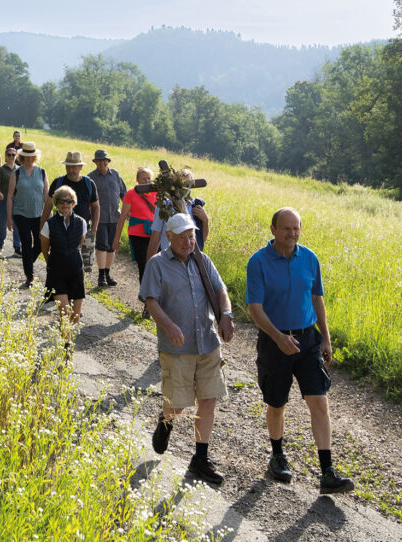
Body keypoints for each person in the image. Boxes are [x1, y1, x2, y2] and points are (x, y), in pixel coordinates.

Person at [246, 207, 354, 495]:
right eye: (286, 228)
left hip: (308, 341)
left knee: (319, 401)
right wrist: (278, 337)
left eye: (296, 228)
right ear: (273, 230)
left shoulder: (309, 258)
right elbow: (254, 307)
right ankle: (278, 456)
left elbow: (317, 299)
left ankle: (327, 471)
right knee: (277, 403)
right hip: (274, 342)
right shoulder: (258, 262)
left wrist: (326, 340)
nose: (292, 234)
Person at [141, 213, 235, 486]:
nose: (188, 241)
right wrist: (168, 325)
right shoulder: (157, 264)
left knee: (208, 398)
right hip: (176, 346)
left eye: (191, 235)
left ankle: (200, 458)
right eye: (182, 236)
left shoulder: (202, 260)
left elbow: (220, 290)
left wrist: (226, 315)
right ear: (168, 237)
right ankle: (166, 421)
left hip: (207, 341)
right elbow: (151, 301)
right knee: (179, 403)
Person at [41, 186, 86, 353]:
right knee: (64, 311)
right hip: (57, 271)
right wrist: (52, 262)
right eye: (61, 201)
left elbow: (80, 244)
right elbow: (45, 247)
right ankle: (66, 345)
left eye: (68, 201)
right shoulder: (49, 224)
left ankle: (67, 335)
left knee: (75, 315)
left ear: (73, 202)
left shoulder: (81, 222)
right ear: (56, 204)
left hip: (76, 269)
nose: (65, 204)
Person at [42, 151, 100, 274]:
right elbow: (48, 205)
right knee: (60, 265)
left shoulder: (89, 184)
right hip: (60, 230)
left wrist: (94, 230)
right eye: (68, 167)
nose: (71, 170)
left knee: (84, 267)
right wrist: (42, 227)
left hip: (85, 230)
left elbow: (96, 207)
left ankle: (78, 289)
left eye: (74, 167)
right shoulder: (58, 182)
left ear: (81, 167)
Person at [6, 142, 47, 288]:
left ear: (35, 157)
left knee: (41, 244)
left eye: (32, 156)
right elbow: (10, 196)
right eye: (26, 157)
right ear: (22, 157)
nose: (29, 159)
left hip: (38, 214)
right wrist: (9, 218)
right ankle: (29, 276)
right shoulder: (16, 173)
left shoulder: (42, 172)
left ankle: (28, 261)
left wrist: (48, 216)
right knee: (26, 242)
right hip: (21, 213)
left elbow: (46, 196)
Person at [146, 171, 210, 263]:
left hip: (192, 260)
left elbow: (201, 241)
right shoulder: (164, 206)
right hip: (170, 259)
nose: (183, 188)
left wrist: (205, 221)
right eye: (181, 184)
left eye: (187, 184)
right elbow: (155, 239)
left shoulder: (196, 206)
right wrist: (149, 267)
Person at [87, 149, 127, 287]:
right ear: (95, 162)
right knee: (102, 246)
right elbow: (87, 199)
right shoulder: (91, 177)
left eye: (104, 160)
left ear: (108, 161)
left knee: (112, 246)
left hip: (115, 217)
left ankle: (108, 274)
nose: (102, 163)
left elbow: (123, 194)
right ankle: (101, 275)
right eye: (99, 160)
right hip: (100, 218)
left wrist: (127, 210)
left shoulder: (115, 174)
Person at [114, 167, 157, 284]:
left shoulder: (157, 193)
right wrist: (116, 239)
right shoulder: (131, 194)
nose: (146, 181)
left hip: (154, 234)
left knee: (156, 264)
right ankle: (145, 295)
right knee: (143, 264)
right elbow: (122, 217)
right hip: (137, 235)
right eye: (143, 179)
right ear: (137, 180)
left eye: (149, 179)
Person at [0, 146, 21, 253]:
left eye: (13, 155)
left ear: (16, 156)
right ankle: (1, 242)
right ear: (5, 156)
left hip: (16, 201)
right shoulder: (1, 169)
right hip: (3, 200)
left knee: (17, 223)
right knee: (3, 222)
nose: (11, 157)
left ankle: (17, 246)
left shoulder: (19, 170)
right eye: (9, 155)